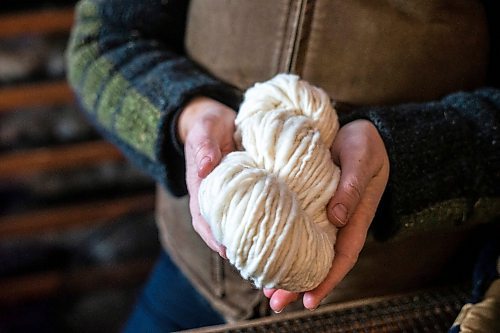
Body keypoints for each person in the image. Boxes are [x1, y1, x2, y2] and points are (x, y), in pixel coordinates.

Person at [66, 0, 499, 331]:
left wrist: (404, 149)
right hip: (192, 277)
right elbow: (102, 40)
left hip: (404, 294)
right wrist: (187, 113)